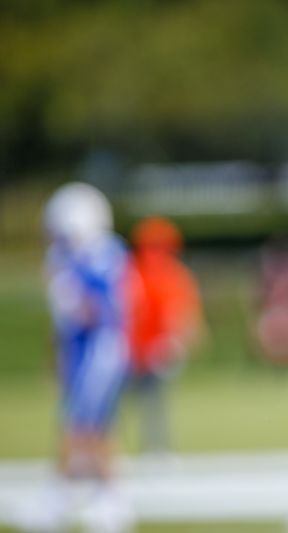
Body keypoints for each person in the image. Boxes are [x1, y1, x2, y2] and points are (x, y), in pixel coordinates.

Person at [16, 182, 134, 533]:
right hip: (80, 351)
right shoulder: (64, 257)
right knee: (94, 427)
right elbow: (64, 322)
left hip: (101, 349)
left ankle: (59, 497)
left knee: (79, 425)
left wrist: (74, 299)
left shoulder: (104, 255)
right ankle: (108, 499)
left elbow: (104, 311)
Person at [126, 216, 204, 456]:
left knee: (153, 397)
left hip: (156, 350)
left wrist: (175, 343)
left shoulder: (174, 275)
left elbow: (184, 317)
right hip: (129, 349)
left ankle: (156, 446)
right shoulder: (130, 272)